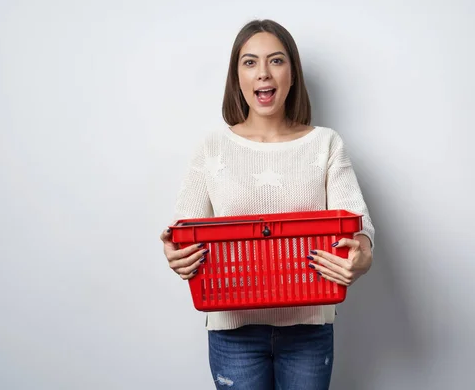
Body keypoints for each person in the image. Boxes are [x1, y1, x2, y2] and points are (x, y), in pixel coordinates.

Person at [160, 19, 375, 390]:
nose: (263, 73)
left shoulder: (325, 143)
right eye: (249, 62)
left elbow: (359, 226)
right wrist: (175, 252)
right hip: (233, 331)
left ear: (292, 74)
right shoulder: (211, 147)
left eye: (276, 61)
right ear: (236, 77)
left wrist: (364, 253)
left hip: (308, 327)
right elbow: (184, 229)